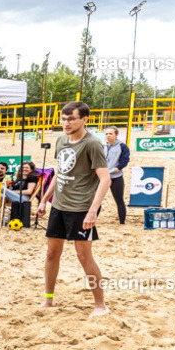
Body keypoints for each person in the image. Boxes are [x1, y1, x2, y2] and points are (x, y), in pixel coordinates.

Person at [37, 101, 110, 317]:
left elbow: (105, 179)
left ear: (84, 119)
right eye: (63, 119)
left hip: (81, 208)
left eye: (71, 119)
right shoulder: (61, 140)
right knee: (51, 253)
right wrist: (44, 199)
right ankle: (48, 300)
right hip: (59, 205)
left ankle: (100, 305)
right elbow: (60, 172)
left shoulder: (92, 144)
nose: (66, 123)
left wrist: (93, 210)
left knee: (83, 256)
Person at [103, 125, 130, 224]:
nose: (108, 135)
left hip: (116, 177)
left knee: (119, 200)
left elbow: (125, 160)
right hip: (102, 177)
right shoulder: (103, 146)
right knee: (96, 199)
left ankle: (122, 222)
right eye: (106, 134)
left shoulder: (122, 146)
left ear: (116, 135)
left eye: (111, 133)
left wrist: (117, 169)